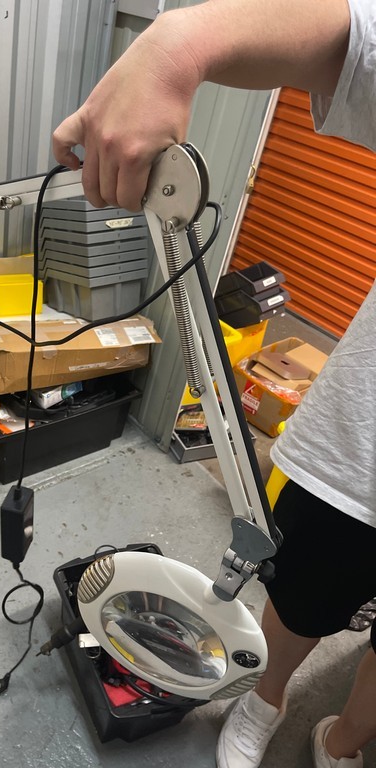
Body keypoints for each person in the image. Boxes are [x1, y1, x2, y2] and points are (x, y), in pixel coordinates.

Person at [53, 1, 376, 767]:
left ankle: (344, 740)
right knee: (303, 590)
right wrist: (175, 46)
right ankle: (265, 701)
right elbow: (348, 41)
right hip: (364, 450)